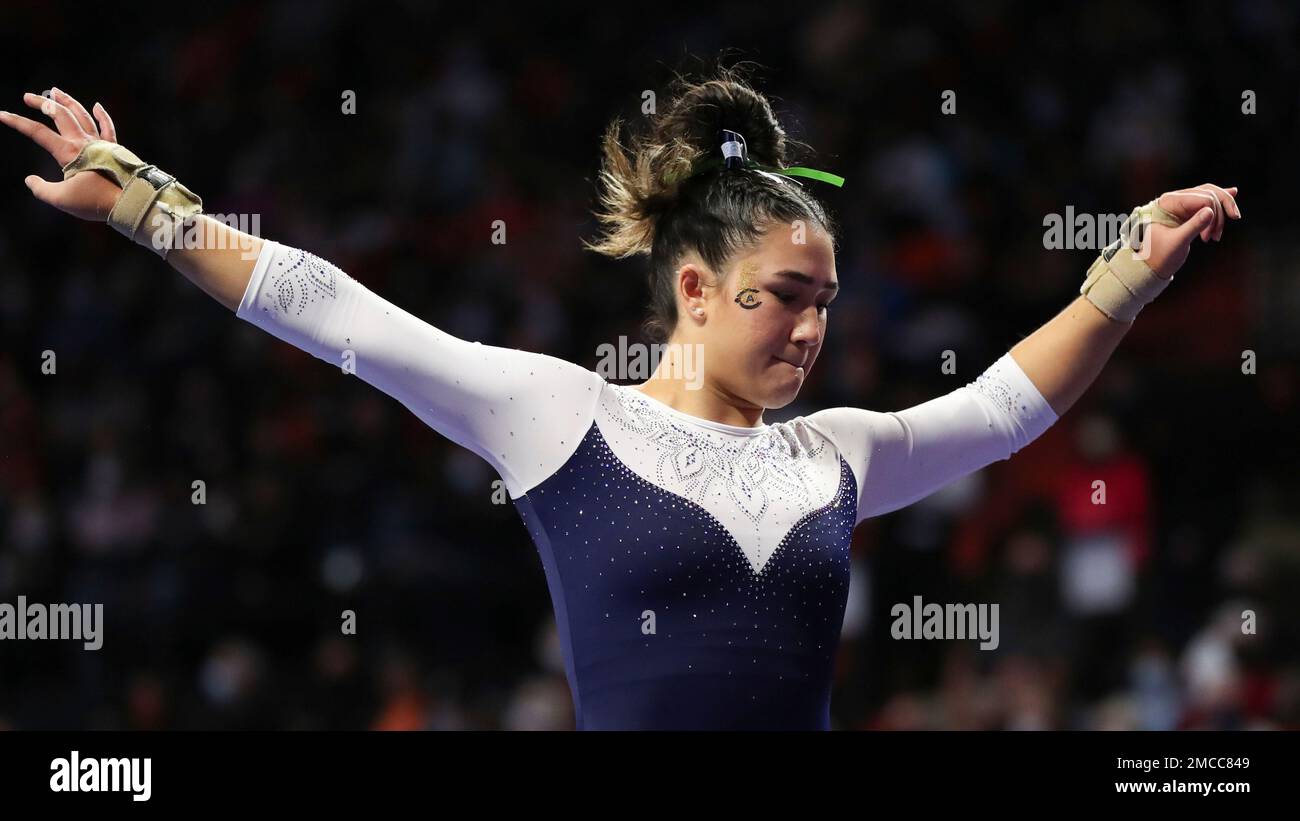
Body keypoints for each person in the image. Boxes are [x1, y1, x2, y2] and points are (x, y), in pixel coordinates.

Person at [0, 68, 1239, 729]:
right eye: (781, 295)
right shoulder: (560, 417)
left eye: (827, 298)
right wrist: (149, 208)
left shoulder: (839, 452)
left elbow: (1004, 408)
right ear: (694, 289)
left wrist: (1119, 279)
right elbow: (337, 315)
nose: (812, 326)